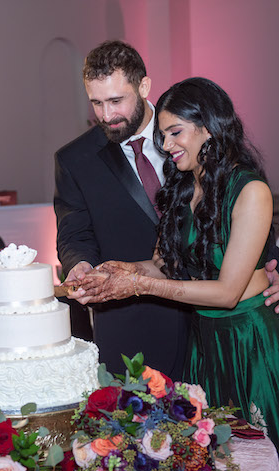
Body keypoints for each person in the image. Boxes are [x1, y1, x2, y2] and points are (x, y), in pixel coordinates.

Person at [54, 40, 279, 380]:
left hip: (233, 325)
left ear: (143, 86)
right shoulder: (75, 159)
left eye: (116, 100)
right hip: (136, 324)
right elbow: (76, 232)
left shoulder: (187, 132)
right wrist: (96, 268)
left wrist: (269, 264)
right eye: (96, 103)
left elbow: (248, 224)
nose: (106, 115)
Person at [73, 77, 279, 448]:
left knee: (256, 457)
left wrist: (139, 285)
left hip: (247, 339)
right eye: (163, 136)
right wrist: (123, 271)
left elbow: (228, 292)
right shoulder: (184, 187)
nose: (166, 145)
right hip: (203, 343)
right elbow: (165, 264)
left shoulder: (250, 190)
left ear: (209, 126)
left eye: (175, 133)